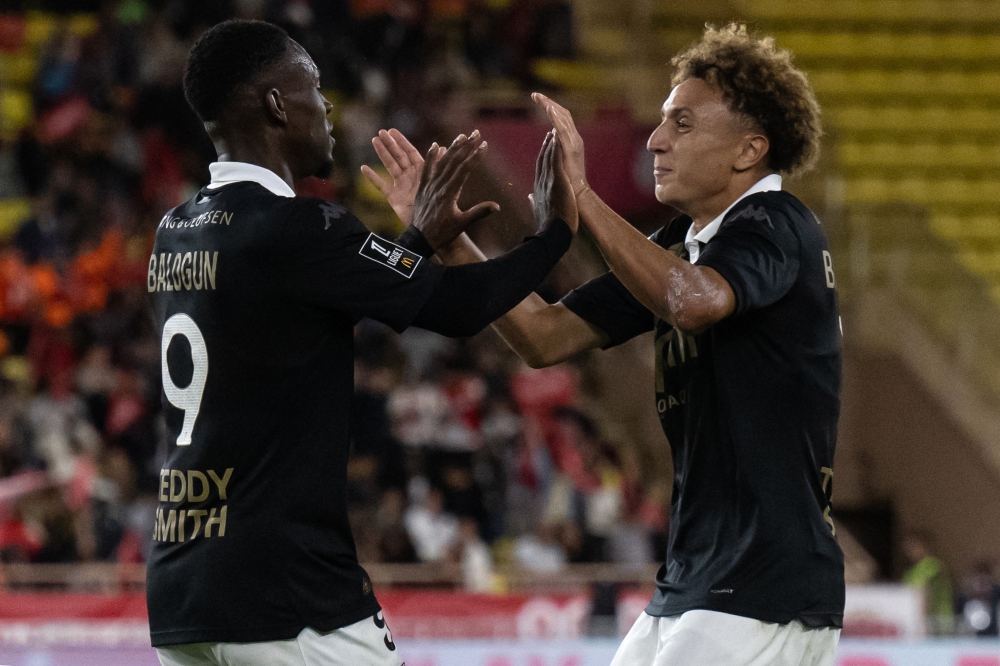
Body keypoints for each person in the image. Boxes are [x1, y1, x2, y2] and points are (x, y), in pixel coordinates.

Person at [368, 23, 843, 666]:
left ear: (748, 149)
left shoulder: (777, 225)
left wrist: (583, 197)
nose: (655, 139)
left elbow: (695, 303)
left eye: (681, 123)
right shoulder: (684, 246)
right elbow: (543, 335)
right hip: (697, 580)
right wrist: (446, 239)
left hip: (764, 588)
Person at [147, 19, 578, 666]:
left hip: (181, 589)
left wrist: (417, 245)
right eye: (313, 88)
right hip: (289, 589)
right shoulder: (302, 227)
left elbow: (293, 322)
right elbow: (461, 308)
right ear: (275, 105)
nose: (325, 107)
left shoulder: (174, 230)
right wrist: (556, 233)